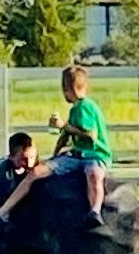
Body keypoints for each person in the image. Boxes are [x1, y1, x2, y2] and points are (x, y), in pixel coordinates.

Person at [47, 62, 113, 211]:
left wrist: (63, 125)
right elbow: (67, 135)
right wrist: (54, 155)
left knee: (93, 174)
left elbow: (90, 135)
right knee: (44, 170)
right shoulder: (75, 109)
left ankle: (95, 211)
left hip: (94, 155)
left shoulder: (86, 107)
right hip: (78, 155)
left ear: (68, 89)